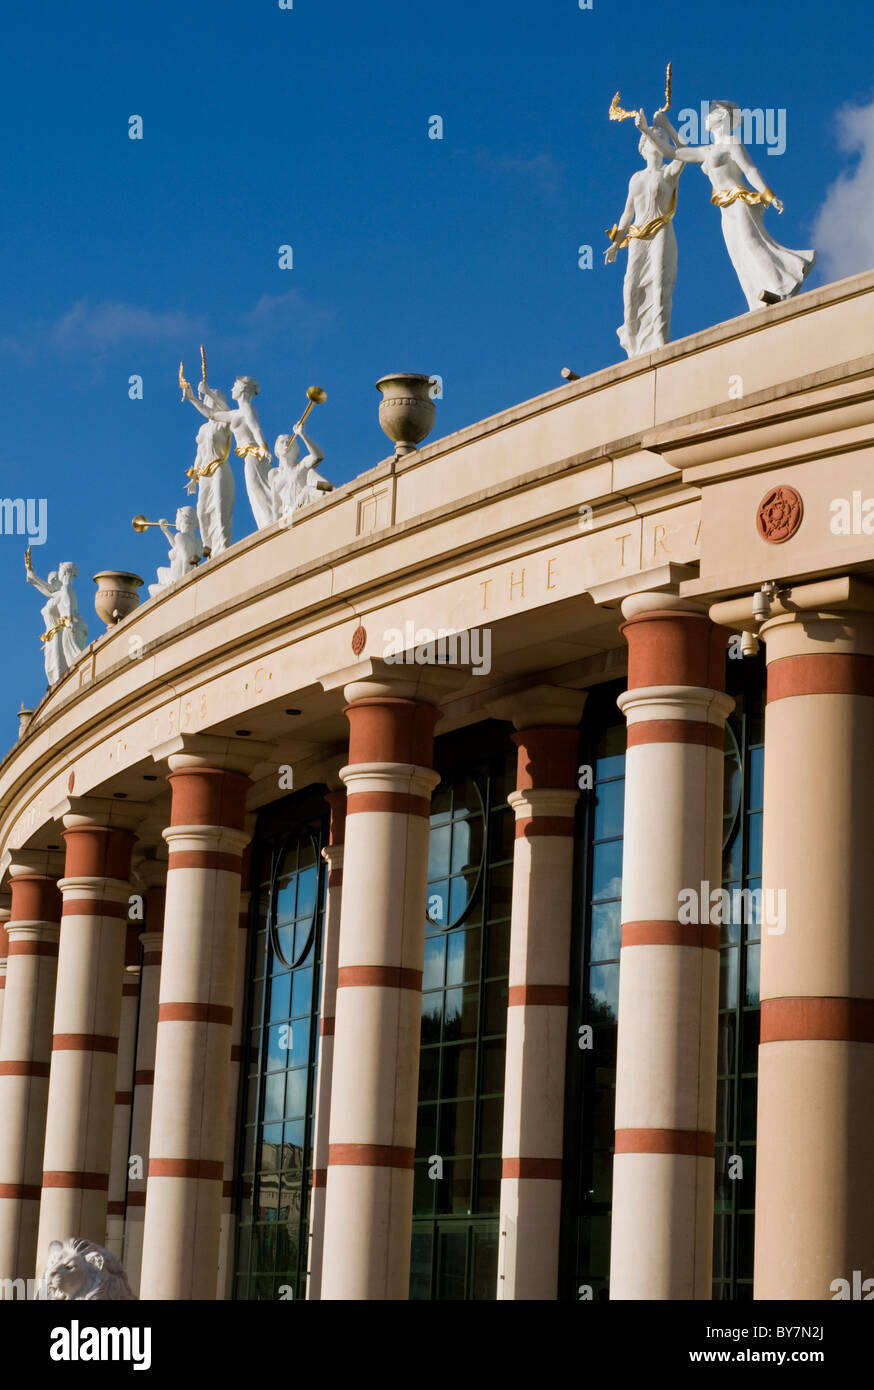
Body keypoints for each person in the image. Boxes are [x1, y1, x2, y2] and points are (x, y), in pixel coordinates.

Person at [638, 100, 816, 310]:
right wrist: (653, 128)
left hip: (739, 201)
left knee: (751, 243)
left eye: (710, 114)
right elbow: (673, 153)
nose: (705, 118)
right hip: (725, 208)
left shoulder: (731, 143)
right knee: (737, 254)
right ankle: (757, 301)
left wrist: (768, 195)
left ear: (722, 116)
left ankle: (781, 288)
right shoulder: (708, 150)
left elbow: (750, 170)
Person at [605, 116, 685, 356]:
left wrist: (664, 125)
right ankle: (631, 336)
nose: (654, 139)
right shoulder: (636, 178)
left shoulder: (668, 174)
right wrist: (615, 244)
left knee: (659, 280)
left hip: (660, 229)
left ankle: (659, 334)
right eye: (651, 137)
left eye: (658, 137)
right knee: (631, 285)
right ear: (643, 146)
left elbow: (683, 151)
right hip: (637, 236)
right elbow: (626, 213)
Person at [184, 375, 273, 530]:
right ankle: (267, 522)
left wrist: (264, 448)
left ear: (242, 388)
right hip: (249, 457)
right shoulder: (236, 414)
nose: (232, 388)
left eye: (234, 385)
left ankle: (271, 521)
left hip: (254, 454)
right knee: (254, 489)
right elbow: (211, 414)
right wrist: (192, 398)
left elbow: (256, 429)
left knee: (258, 487)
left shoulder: (246, 409)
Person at [185, 378, 234, 557]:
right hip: (204, 472)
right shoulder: (204, 428)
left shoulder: (224, 422)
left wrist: (208, 391)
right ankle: (208, 545)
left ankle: (222, 544)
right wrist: (193, 478)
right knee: (201, 509)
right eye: (207, 401)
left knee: (220, 506)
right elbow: (200, 453)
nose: (208, 404)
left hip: (219, 467)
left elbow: (228, 411)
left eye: (210, 401)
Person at [269, 424, 333, 520]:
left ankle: (333, 492)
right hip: (289, 514)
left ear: (296, 449)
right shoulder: (274, 474)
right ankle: (332, 492)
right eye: (282, 442)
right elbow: (276, 503)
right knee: (309, 488)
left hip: (303, 504)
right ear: (276, 450)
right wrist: (274, 530)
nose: (286, 444)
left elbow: (318, 456)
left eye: (289, 442)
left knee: (312, 476)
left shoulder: (302, 465)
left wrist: (302, 435)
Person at [147, 508, 202, 598]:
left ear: (182, 519)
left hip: (179, 579)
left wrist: (183, 584)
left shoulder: (180, 536)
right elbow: (177, 545)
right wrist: (166, 531)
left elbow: (186, 559)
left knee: (151, 588)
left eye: (177, 517)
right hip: (179, 574)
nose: (175, 520)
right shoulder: (197, 541)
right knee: (160, 570)